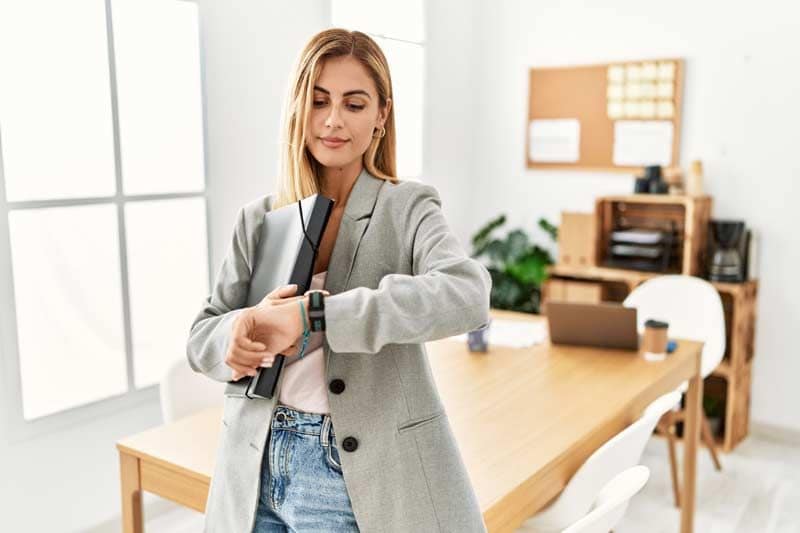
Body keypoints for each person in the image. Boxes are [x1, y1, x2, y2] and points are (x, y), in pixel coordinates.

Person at [186, 28, 491, 533]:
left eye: (354, 104)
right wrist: (237, 334)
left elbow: (466, 294)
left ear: (381, 116)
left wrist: (317, 315)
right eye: (319, 100)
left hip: (351, 472)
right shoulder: (259, 218)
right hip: (253, 464)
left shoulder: (407, 206)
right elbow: (203, 334)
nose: (332, 120)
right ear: (298, 108)